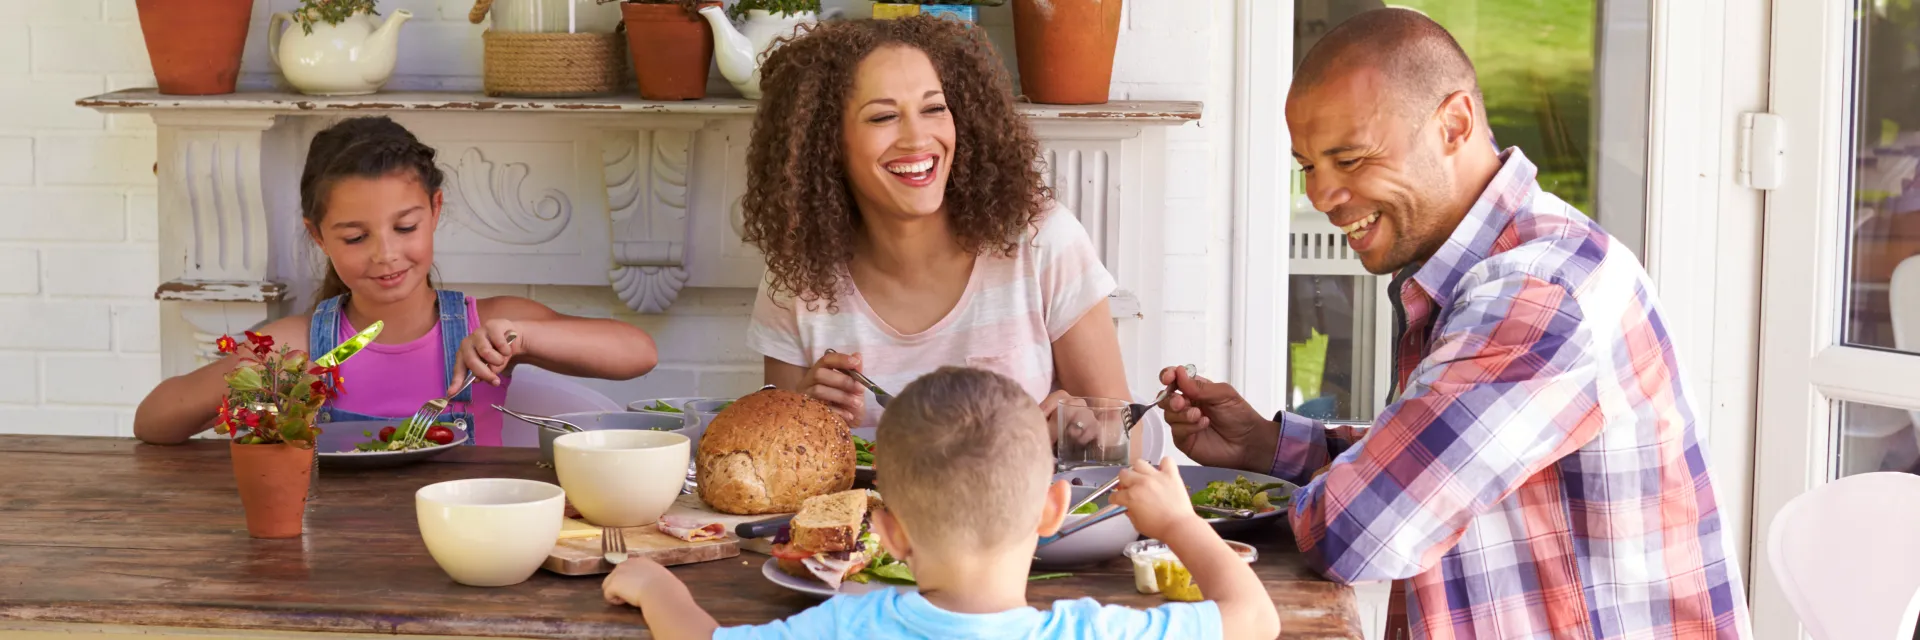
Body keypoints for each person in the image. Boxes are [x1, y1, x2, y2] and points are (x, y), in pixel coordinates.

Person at [1157, 9, 1752, 639]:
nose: (1322, 196)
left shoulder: (1535, 294)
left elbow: (1357, 529)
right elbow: (1424, 458)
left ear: (1454, 124)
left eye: (1351, 159)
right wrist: (1265, 447)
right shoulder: (1482, 272)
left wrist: (1176, 518)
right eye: (1308, 166)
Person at [601, 366, 1280, 640]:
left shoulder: (846, 627)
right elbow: (1254, 616)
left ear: (889, 532)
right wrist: (1178, 522)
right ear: (1052, 510)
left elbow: (704, 639)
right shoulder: (1090, 633)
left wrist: (656, 585)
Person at [133, 117, 659, 446]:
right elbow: (152, 421)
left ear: (434, 210)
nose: (386, 255)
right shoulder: (296, 343)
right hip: (341, 557)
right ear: (318, 236)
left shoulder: (489, 324)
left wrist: (522, 337)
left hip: (474, 544)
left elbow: (637, 353)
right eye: (355, 237)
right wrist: (253, 377)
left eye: (404, 227)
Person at [739, 16, 1131, 440]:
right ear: (826, 143)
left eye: (933, 109)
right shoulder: (799, 276)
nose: (918, 138)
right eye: (883, 116)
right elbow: (776, 459)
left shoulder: (1042, 243)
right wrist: (805, 414)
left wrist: (1084, 430)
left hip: (1028, 506)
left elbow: (1128, 437)